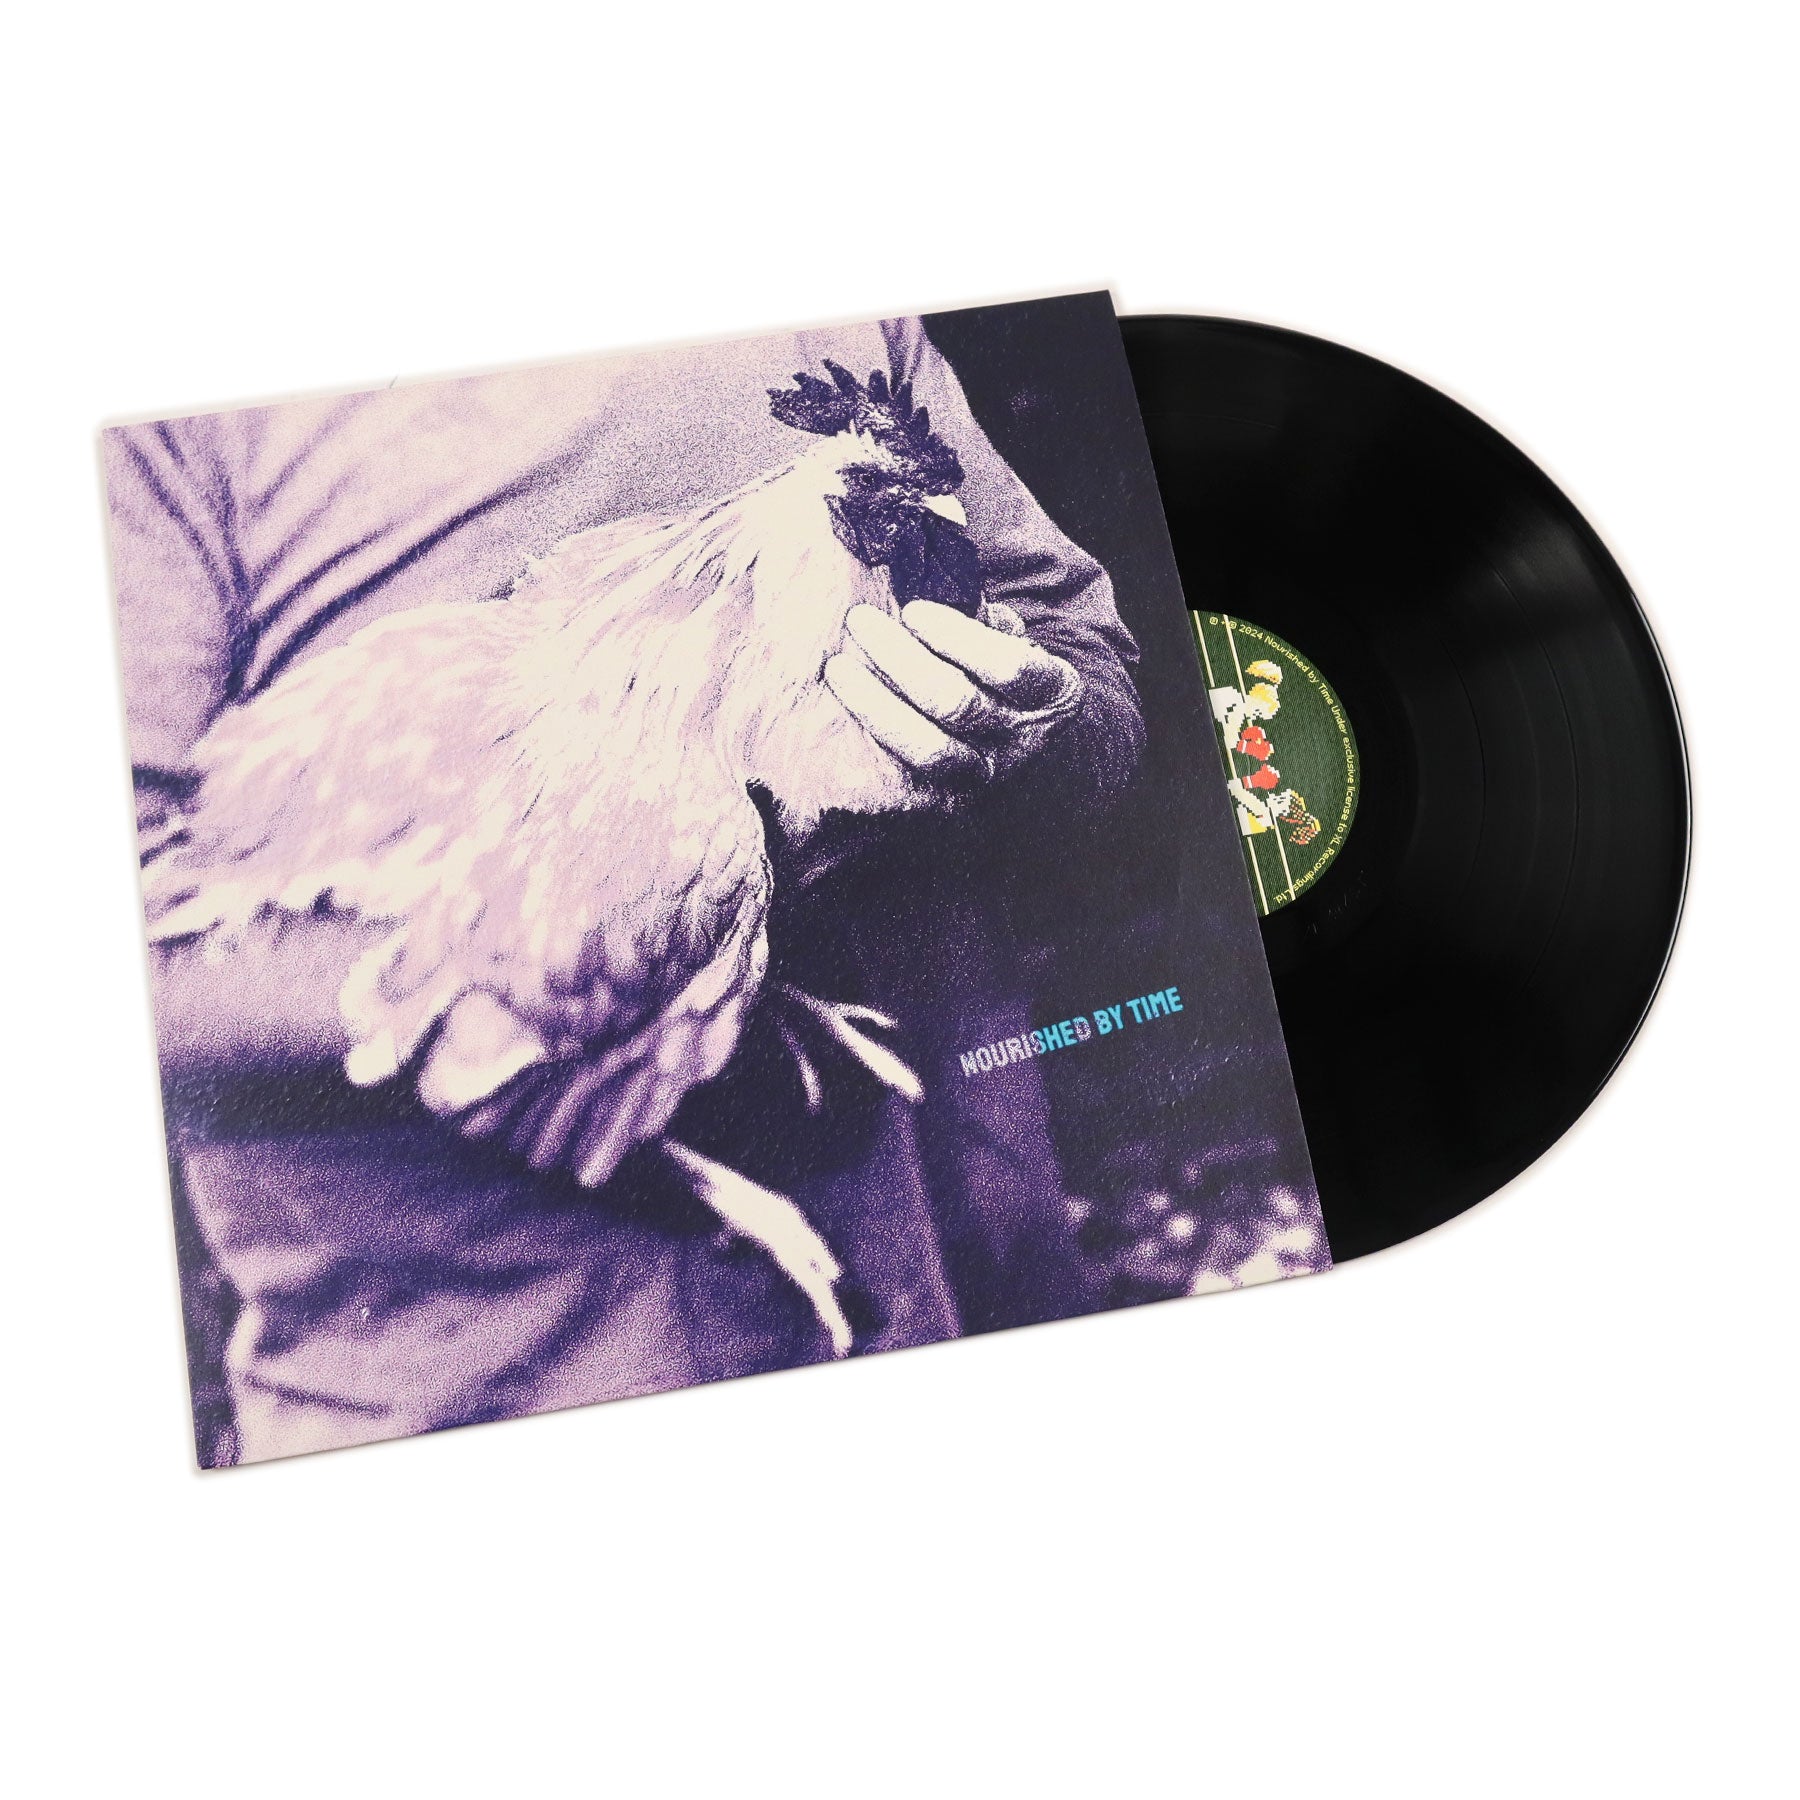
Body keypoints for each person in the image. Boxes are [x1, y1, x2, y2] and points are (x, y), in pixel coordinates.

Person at [106, 313, 1145, 1464]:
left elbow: (1089, 669)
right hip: (498, 1408)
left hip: (974, 1315)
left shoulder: (842, 300)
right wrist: (488, 966)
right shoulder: (162, 408)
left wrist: (1030, 730)